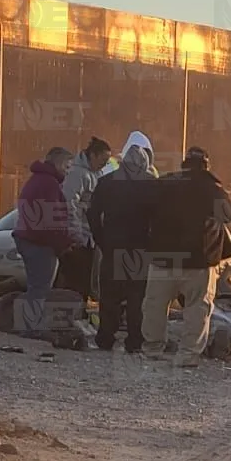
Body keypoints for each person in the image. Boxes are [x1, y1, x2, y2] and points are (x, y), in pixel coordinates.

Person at [140, 146, 231, 368]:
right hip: (198, 260)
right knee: (196, 308)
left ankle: (152, 349)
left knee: (155, 305)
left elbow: (144, 210)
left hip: (163, 258)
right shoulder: (212, 188)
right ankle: (188, 355)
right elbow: (230, 215)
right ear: (206, 165)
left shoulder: (164, 183)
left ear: (184, 163)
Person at [88, 141, 156, 353]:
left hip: (112, 247)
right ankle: (134, 341)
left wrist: (101, 239)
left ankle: (106, 338)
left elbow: (91, 214)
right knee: (137, 298)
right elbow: (160, 218)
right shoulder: (152, 185)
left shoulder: (107, 182)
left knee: (110, 297)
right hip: (140, 250)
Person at [11, 147, 75, 334]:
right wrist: (64, 244)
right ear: (59, 163)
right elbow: (51, 222)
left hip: (29, 240)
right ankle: (32, 328)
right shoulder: (49, 184)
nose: (68, 171)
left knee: (35, 286)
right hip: (40, 243)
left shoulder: (37, 180)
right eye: (67, 166)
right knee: (39, 288)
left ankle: (28, 325)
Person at [59, 136, 113, 301]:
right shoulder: (77, 174)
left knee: (86, 281)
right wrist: (77, 235)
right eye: (103, 160)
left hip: (89, 238)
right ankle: (74, 314)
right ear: (93, 155)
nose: (105, 164)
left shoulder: (95, 174)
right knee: (77, 282)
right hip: (80, 240)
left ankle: (80, 312)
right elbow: (69, 204)